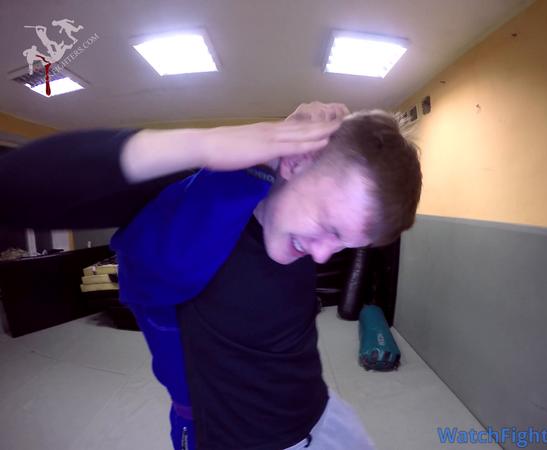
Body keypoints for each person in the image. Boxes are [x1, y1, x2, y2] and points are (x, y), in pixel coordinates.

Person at [0, 102, 422, 449]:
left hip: (322, 414)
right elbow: (14, 188)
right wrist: (207, 142)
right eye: (328, 227)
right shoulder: (185, 221)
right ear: (295, 162)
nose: (324, 253)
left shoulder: (295, 229)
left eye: (345, 243)